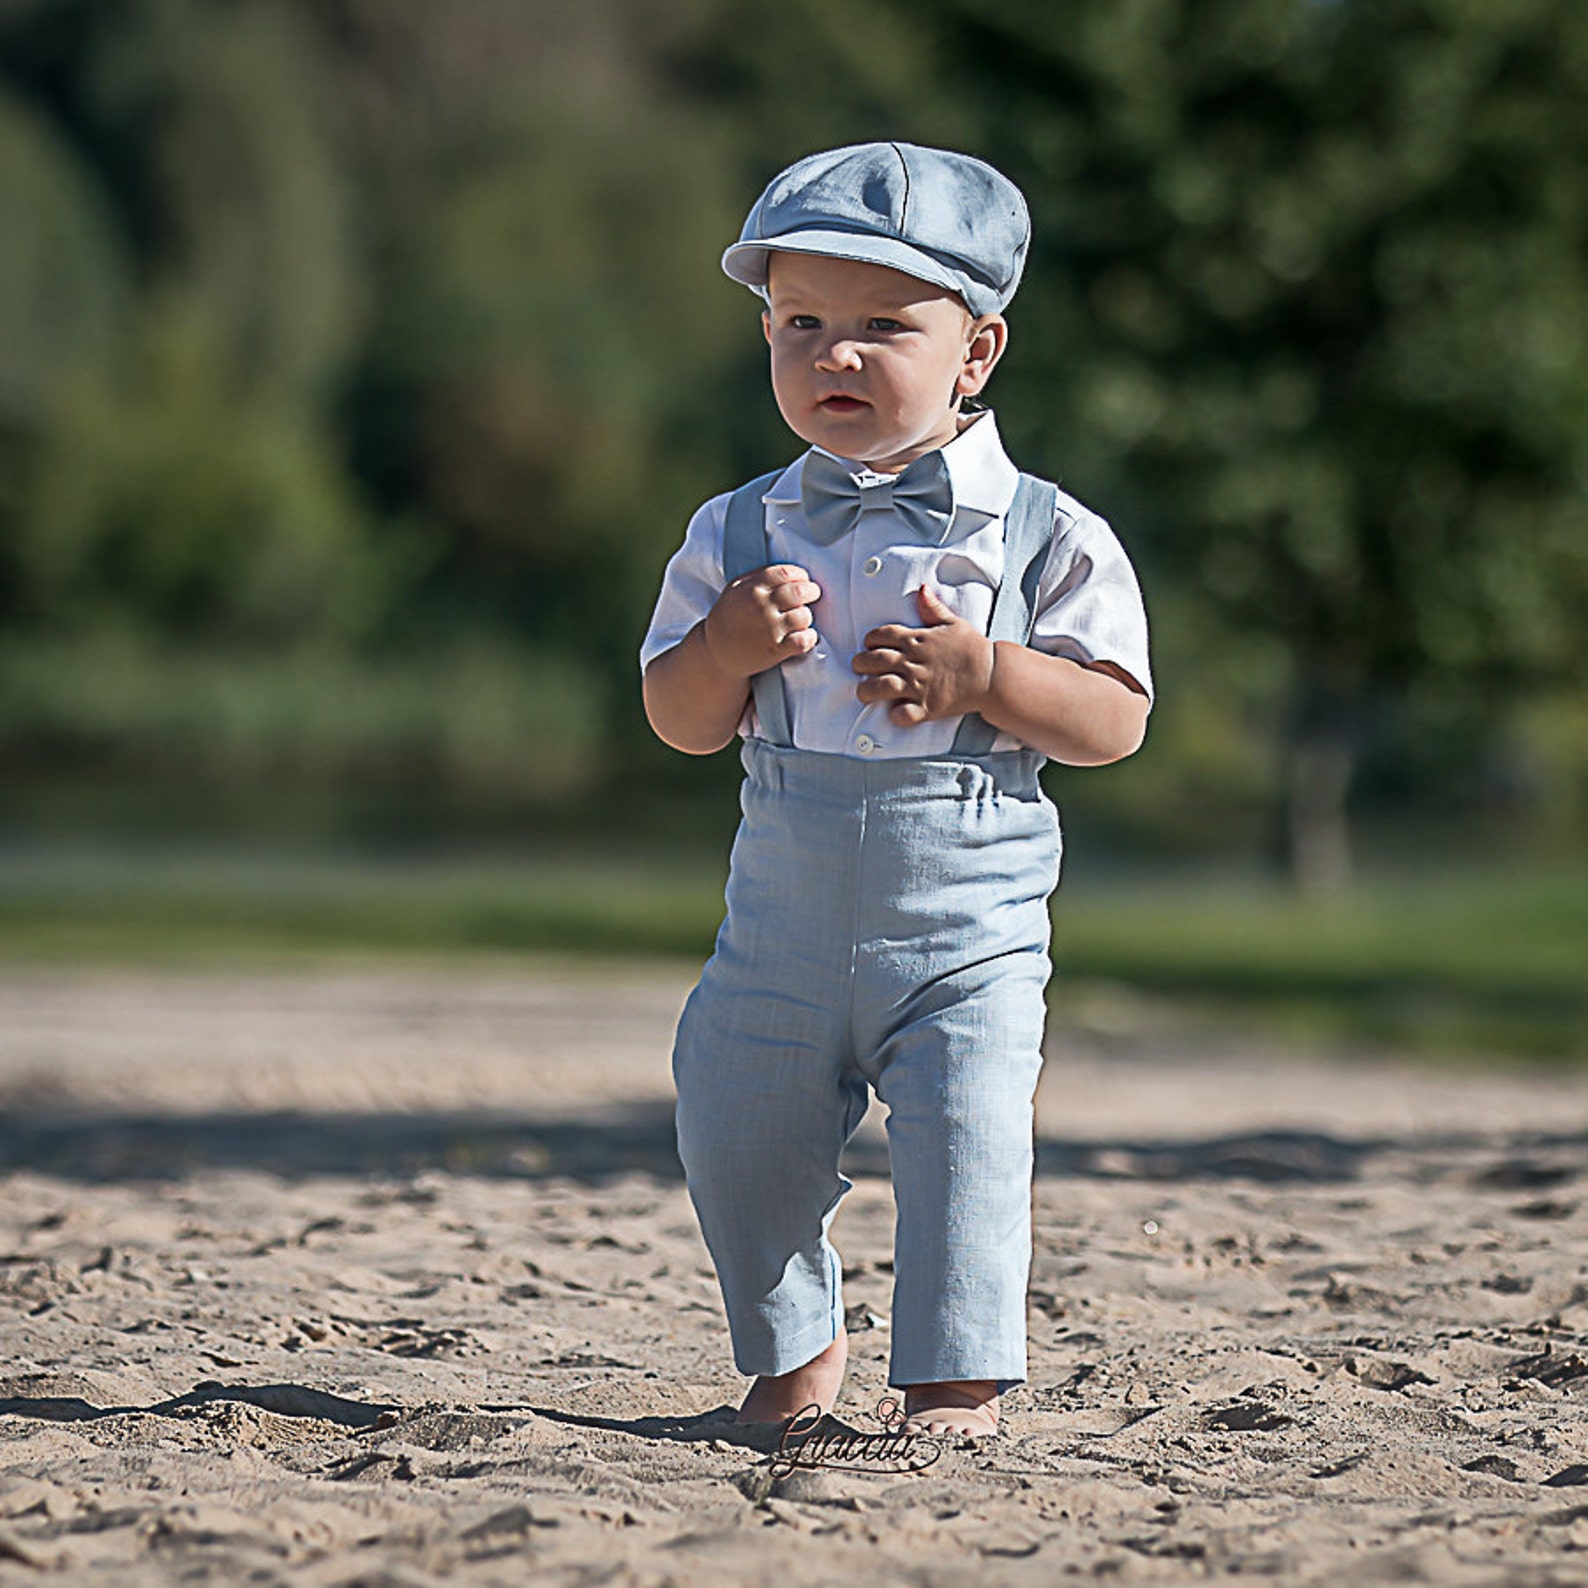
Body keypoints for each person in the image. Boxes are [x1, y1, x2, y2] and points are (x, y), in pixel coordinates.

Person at [641, 142, 1152, 1440]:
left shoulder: (1044, 535)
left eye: (884, 326)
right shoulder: (736, 532)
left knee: (967, 1146)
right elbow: (678, 720)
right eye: (802, 324)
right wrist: (726, 650)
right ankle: (798, 1347)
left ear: (976, 352)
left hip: (965, 924)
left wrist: (989, 673)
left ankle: (951, 1383)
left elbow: (1114, 719)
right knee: (731, 1118)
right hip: (780, 923)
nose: (837, 357)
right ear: (766, 336)